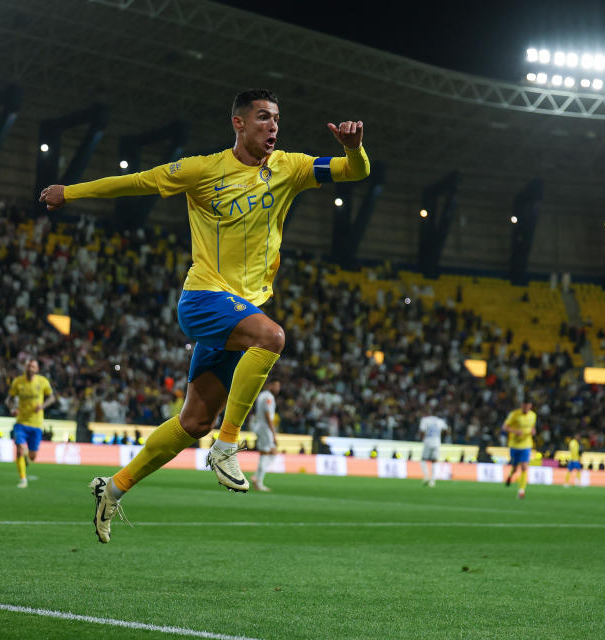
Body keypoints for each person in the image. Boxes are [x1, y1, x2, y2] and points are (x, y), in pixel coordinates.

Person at [40, 88, 369, 543]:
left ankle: (113, 488)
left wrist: (353, 149)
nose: (272, 126)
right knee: (271, 338)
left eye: (276, 118)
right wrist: (69, 193)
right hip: (203, 299)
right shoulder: (203, 169)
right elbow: (138, 181)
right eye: (261, 117)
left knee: (193, 422)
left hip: (239, 312)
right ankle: (228, 445)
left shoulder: (289, 167)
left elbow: (354, 172)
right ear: (238, 123)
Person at [6, 359, 56, 488]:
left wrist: (42, 406)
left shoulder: (43, 381)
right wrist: (12, 409)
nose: (30, 368)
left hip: (36, 424)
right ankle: (23, 479)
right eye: (28, 365)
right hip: (21, 422)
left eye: (33, 366)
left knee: (33, 457)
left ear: (37, 369)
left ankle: (28, 456)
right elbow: (9, 399)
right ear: (25, 367)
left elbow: (52, 397)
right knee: (19, 449)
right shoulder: (18, 382)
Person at [250, 379, 281, 492]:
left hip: (261, 426)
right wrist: (273, 432)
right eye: (276, 385)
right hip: (265, 428)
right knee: (266, 453)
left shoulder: (262, 395)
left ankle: (257, 477)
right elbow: (268, 415)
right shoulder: (268, 397)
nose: (278, 388)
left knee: (272, 453)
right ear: (270, 385)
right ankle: (258, 481)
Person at [502, 399, 536, 498]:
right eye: (524, 406)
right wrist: (515, 431)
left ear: (530, 406)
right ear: (522, 405)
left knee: (524, 466)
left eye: (528, 406)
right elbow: (505, 427)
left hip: (526, 445)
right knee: (515, 467)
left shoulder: (533, 415)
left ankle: (521, 491)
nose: (526, 408)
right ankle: (510, 476)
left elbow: (532, 427)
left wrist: (533, 431)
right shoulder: (514, 414)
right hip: (514, 445)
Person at [418, 413, 449, 488]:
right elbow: (446, 430)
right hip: (437, 442)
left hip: (428, 441)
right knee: (434, 461)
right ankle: (432, 481)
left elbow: (422, 431)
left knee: (423, 460)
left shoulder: (425, 420)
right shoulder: (440, 421)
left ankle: (426, 477)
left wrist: (423, 439)